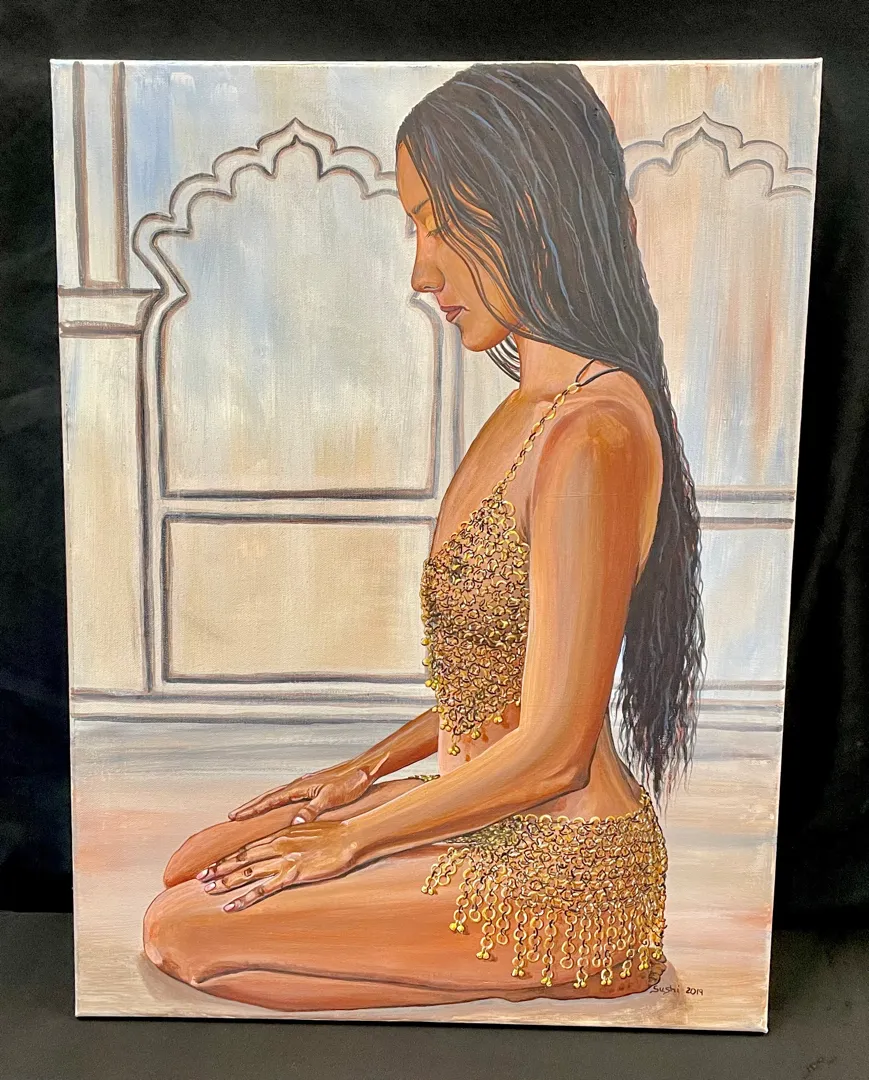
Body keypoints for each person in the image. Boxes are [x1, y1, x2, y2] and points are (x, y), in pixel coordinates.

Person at [143, 61, 704, 1012]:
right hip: (486, 809)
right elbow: (495, 683)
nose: (420, 270)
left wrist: (357, 837)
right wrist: (364, 771)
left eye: (440, 222)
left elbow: (555, 749)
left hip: (564, 867)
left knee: (183, 929)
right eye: (416, 225)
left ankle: (571, 967)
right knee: (198, 859)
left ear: (532, 206)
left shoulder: (595, 431)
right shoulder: (523, 410)